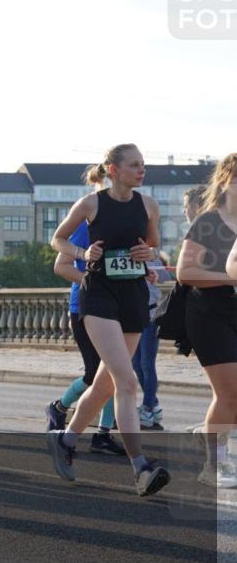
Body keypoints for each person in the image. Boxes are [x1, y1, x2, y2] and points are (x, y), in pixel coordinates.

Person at [47, 143, 169, 497]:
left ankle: (66, 440)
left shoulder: (149, 205)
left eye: (143, 165)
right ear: (113, 170)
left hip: (133, 296)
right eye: (134, 165)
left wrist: (148, 253)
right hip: (98, 295)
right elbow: (57, 240)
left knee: (105, 385)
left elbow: (153, 244)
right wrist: (82, 253)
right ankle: (141, 468)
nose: (141, 170)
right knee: (127, 381)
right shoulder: (91, 204)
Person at [176, 153, 237, 488]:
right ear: (225, 181)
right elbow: (185, 272)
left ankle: (209, 433)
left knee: (232, 400)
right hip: (209, 314)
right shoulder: (209, 222)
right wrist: (232, 279)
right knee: (229, 394)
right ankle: (214, 467)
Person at [47, 218, 126, 456]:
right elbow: (61, 266)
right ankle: (59, 408)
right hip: (84, 308)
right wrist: (94, 283)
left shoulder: (129, 221)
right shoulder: (87, 225)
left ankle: (102, 435)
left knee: (111, 373)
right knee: (96, 374)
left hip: (117, 307)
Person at [133, 252, 171, 430]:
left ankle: (148, 408)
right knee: (136, 364)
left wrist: (151, 260)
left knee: (147, 364)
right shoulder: (126, 258)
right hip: (133, 317)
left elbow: (166, 277)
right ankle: (153, 405)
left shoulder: (150, 257)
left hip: (150, 316)